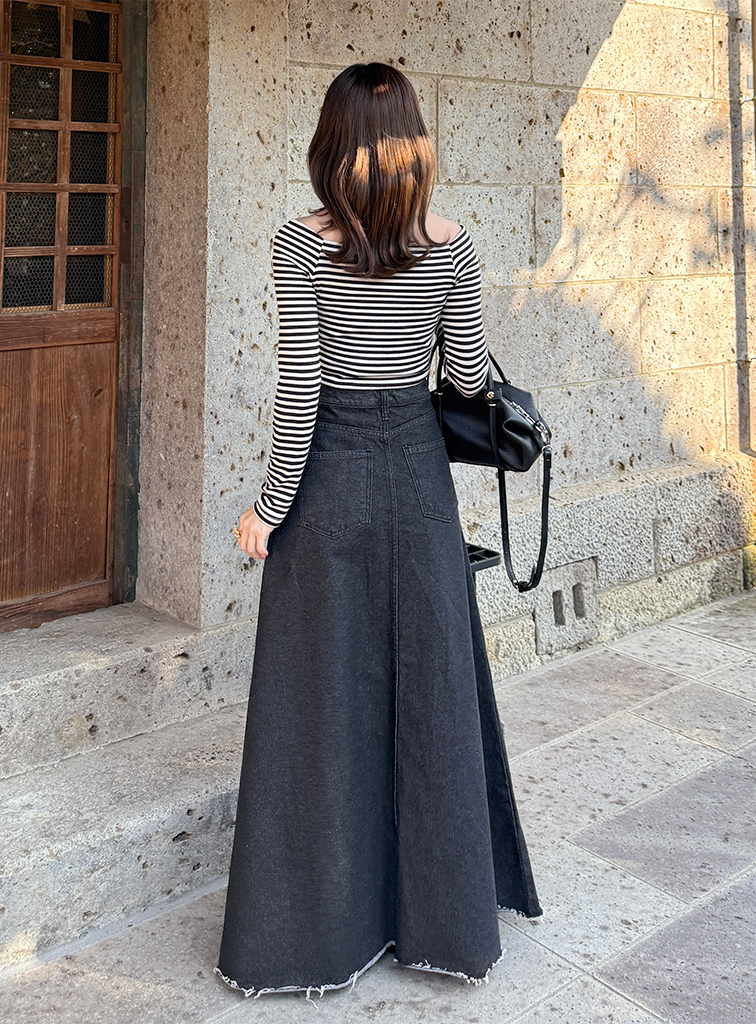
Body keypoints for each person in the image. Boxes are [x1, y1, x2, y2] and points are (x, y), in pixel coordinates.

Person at [215, 61, 541, 1004]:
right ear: (414, 142)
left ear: (332, 141)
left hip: (329, 479)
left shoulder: (299, 242)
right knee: (432, 693)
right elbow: (468, 379)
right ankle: (440, 925)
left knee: (318, 702)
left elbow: (301, 395)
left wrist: (267, 509)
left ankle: (312, 935)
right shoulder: (453, 244)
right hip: (417, 479)